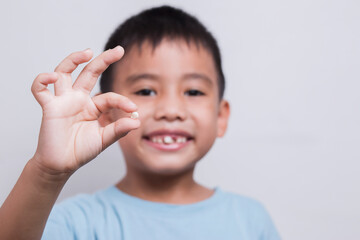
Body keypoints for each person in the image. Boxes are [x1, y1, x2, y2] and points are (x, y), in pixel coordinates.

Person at [0, 5, 281, 240]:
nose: (171, 110)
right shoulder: (75, 222)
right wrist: (47, 173)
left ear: (221, 117)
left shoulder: (250, 220)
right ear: (107, 112)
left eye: (193, 91)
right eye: (146, 91)